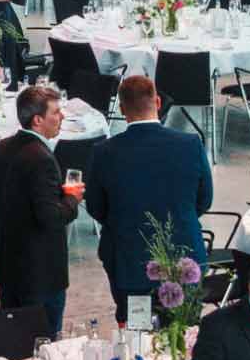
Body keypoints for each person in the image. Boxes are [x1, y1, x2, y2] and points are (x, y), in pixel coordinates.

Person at [82, 75, 208, 325]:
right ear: (158, 102)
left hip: (128, 261)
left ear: (122, 109)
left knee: (135, 335)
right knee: (181, 334)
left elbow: (96, 207)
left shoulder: (104, 152)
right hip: (182, 257)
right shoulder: (190, 144)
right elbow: (204, 200)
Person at [0, 84, 80, 329]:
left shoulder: (1, 148)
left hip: (10, 268)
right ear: (38, 120)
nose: (62, 117)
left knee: (11, 346)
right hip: (40, 274)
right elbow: (50, 217)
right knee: (42, 348)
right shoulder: (42, 159)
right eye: (56, 112)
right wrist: (72, 199)